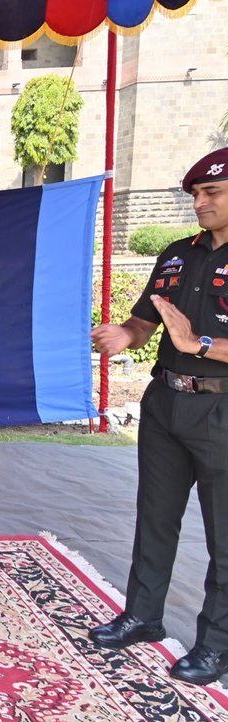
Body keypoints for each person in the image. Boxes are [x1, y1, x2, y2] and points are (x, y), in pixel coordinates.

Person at [88, 148, 228, 686]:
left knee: (224, 535)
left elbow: (194, 337)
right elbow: (144, 321)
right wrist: (125, 334)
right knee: (155, 517)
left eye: (211, 192)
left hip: (221, 406)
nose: (200, 202)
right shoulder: (176, 253)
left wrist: (201, 343)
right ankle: (142, 616)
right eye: (195, 193)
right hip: (166, 400)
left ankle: (216, 645)